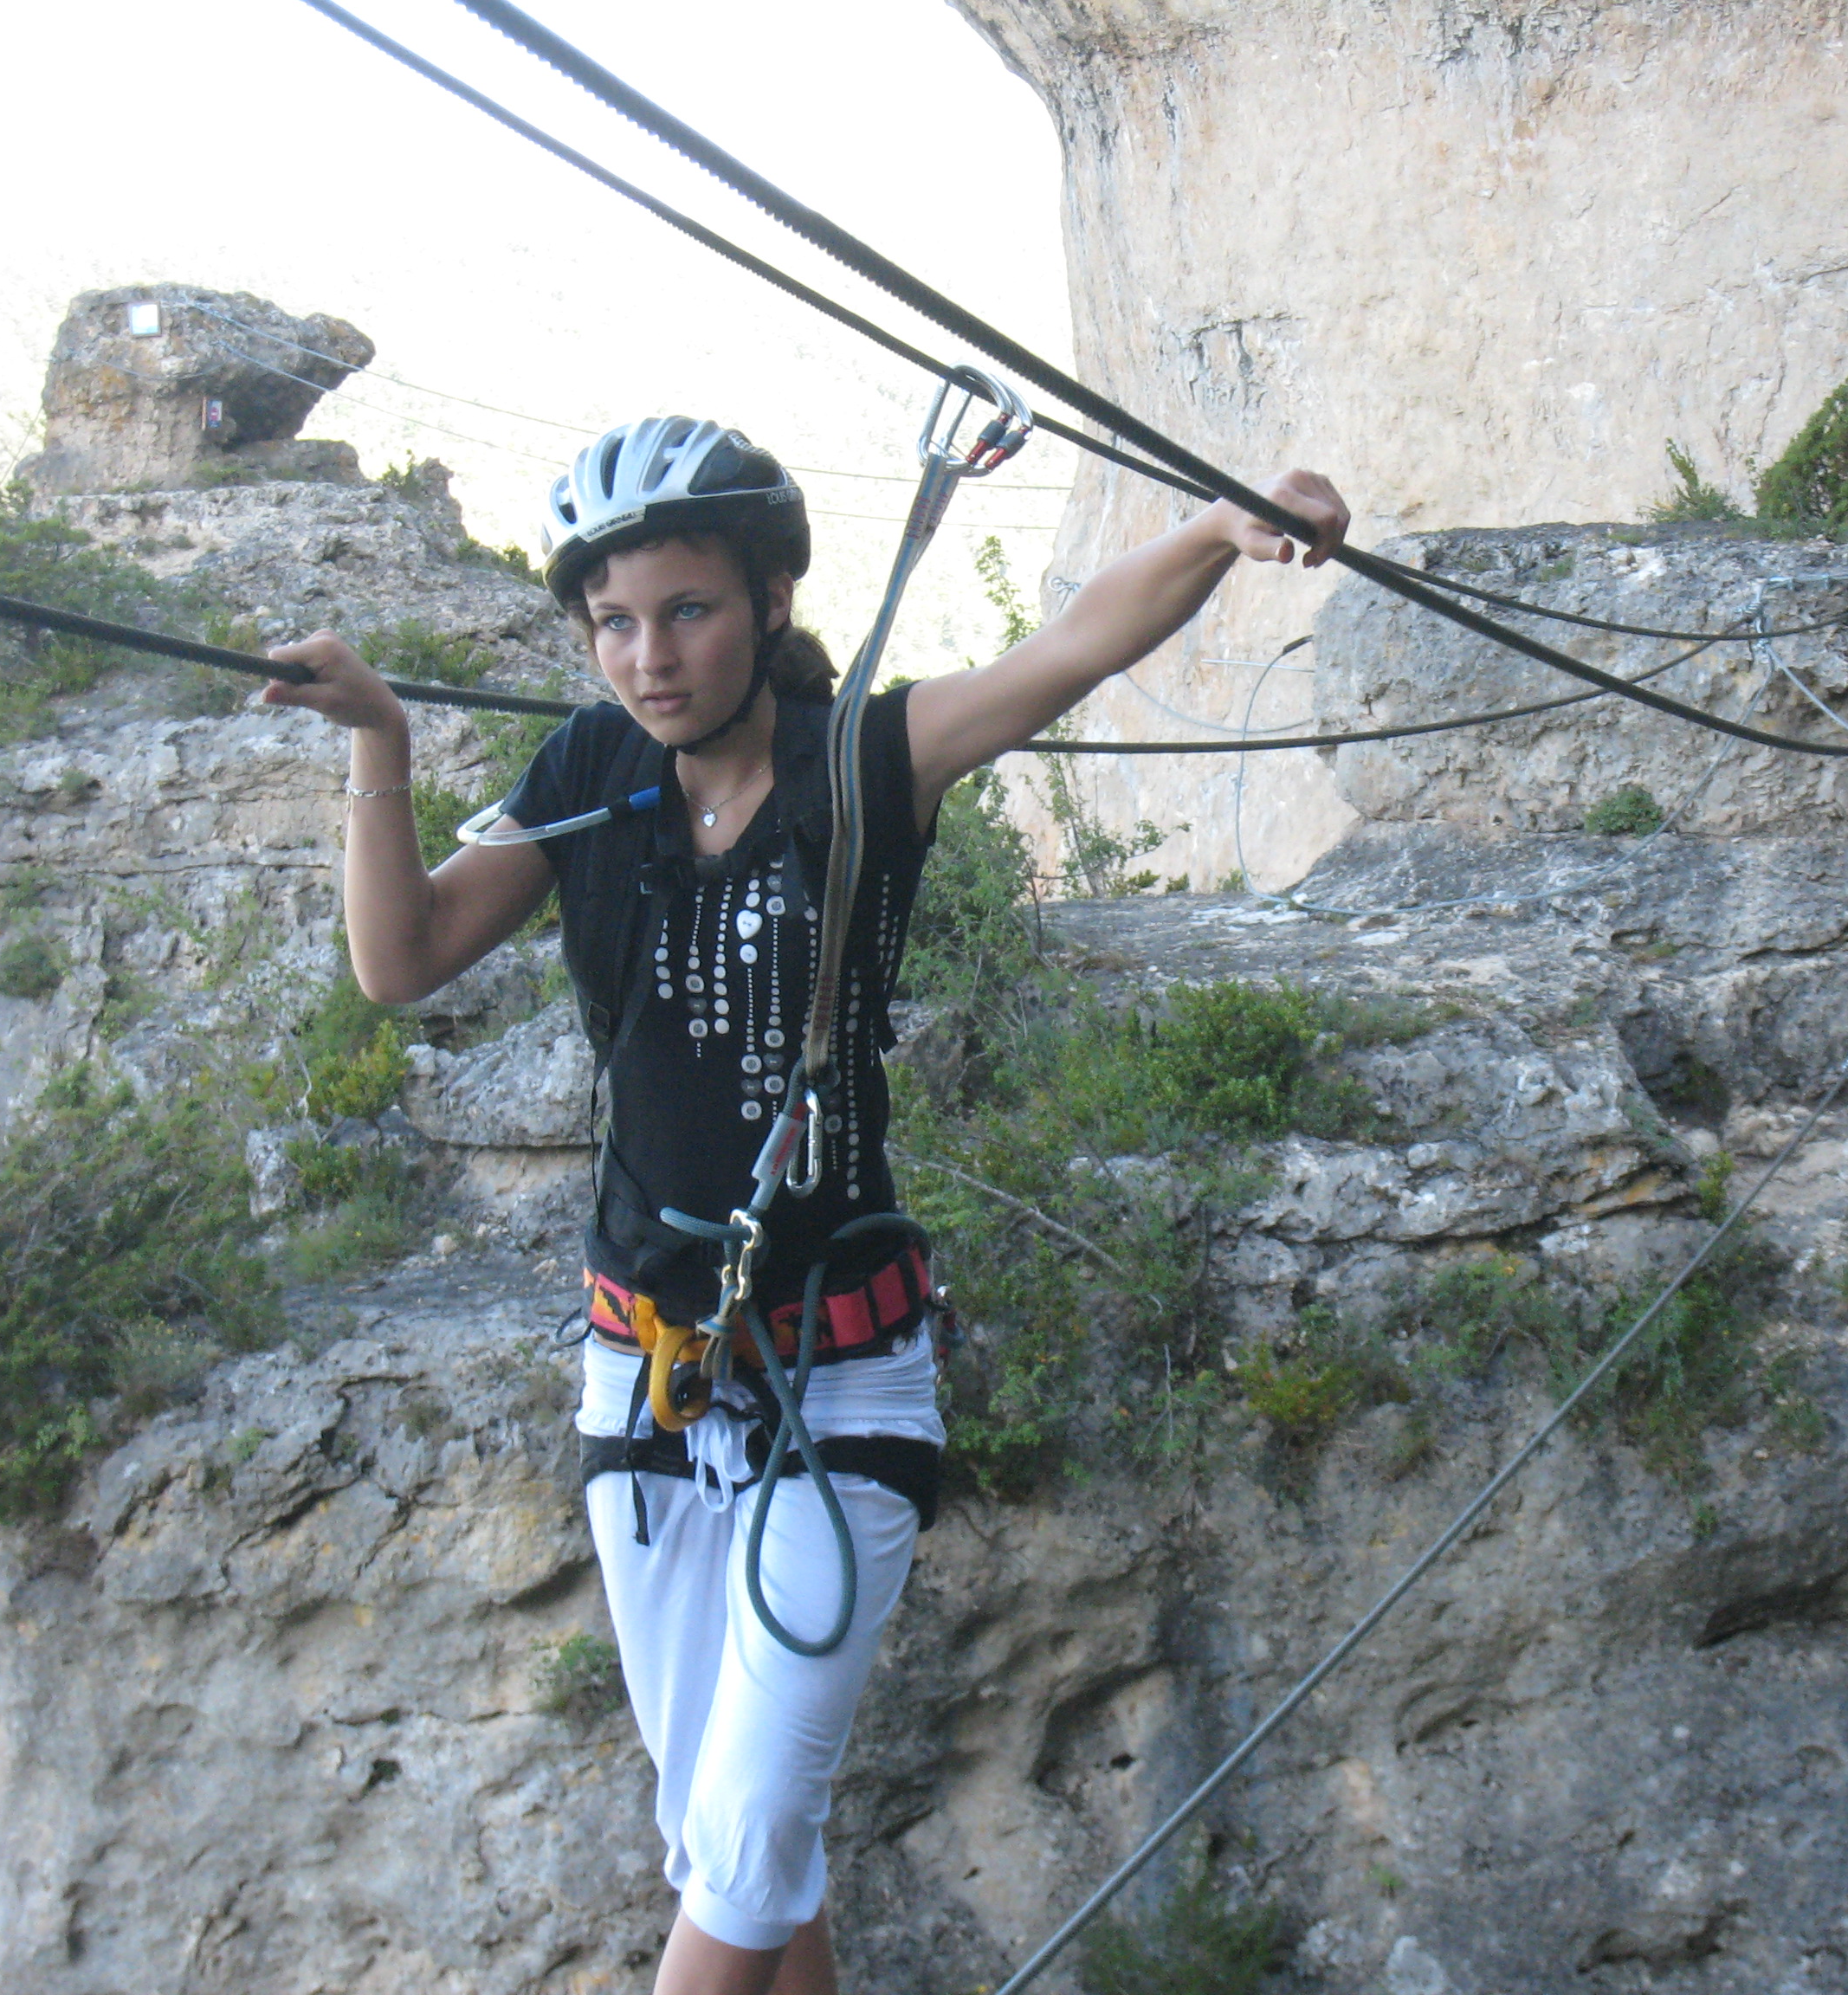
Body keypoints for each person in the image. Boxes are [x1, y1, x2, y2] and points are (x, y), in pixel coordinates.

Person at [257, 416, 1349, 1995]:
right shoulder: (587, 773)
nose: (648, 657)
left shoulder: (860, 761)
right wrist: (380, 740)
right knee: (726, 1842)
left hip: (841, 1383)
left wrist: (1217, 529)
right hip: (644, 1380)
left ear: (770, 601)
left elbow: (1068, 650)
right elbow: (400, 957)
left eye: (688, 609)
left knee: (750, 1829)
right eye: (614, 622)